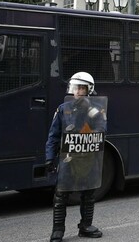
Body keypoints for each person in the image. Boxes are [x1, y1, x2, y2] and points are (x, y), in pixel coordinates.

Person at [45, 72, 105, 241]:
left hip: (87, 157)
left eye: (81, 88)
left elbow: (101, 130)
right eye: (75, 87)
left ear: (89, 90)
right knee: (61, 193)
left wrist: (89, 122)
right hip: (68, 158)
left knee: (89, 192)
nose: (77, 91)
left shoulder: (95, 111)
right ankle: (58, 229)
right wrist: (50, 158)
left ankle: (85, 226)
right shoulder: (64, 109)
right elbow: (53, 136)